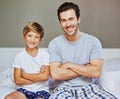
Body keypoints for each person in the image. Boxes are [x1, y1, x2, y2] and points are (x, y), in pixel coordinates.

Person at [48, 2, 117, 99]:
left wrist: (69, 65)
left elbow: (96, 72)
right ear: (60, 22)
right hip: (62, 89)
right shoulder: (54, 44)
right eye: (64, 20)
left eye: (71, 19)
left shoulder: (93, 42)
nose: (68, 24)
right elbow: (55, 74)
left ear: (78, 19)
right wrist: (86, 67)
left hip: (90, 88)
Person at [5, 22, 51, 99]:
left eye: (36, 37)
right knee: (8, 98)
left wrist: (23, 74)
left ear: (40, 40)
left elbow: (44, 77)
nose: (32, 40)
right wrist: (38, 77)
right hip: (24, 90)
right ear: (24, 36)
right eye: (29, 36)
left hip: (41, 90)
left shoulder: (45, 55)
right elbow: (18, 81)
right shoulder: (19, 56)